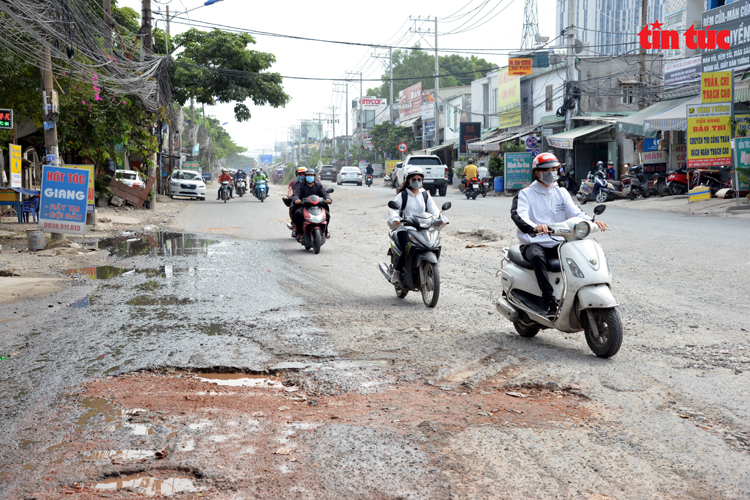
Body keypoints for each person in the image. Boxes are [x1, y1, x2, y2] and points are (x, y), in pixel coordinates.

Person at [511, 153, 609, 317]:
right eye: (546, 170)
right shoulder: (526, 194)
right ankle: (549, 301)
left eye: (554, 169)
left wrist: (592, 221)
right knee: (536, 256)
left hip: (558, 241)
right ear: (537, 172)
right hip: (534, 242)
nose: (551, 173)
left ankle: (574, 294)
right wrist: (535, 228)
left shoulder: (561, 192)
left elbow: (575, 213)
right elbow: (519, 215)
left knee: (579, 255)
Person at [386, 166, 443, 286]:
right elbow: (393, 209)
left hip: (422, 229)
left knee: (432, 245)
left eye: (419, 179)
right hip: (405, 229)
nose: (416, 181)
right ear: (408, 180)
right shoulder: (403, 195)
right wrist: (396, 219)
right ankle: (396, 272)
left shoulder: (425, 195)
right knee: (408, 247)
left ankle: (432, 271)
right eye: (413, 179)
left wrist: (440, 218)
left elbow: (434, 210)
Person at [291, 170, 332, 239]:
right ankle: (300, 233)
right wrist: (296, 200)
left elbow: (325, 193)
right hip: (304, 205)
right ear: (305, 177)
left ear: (314, 176)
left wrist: (328, 199)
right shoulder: (301, 185)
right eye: (308, 175)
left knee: (327, 214)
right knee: (297, 213)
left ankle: (326, 231)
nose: (310, 177)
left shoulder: (318, 184)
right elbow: (296, 194)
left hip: (318, 205)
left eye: (311, 175)